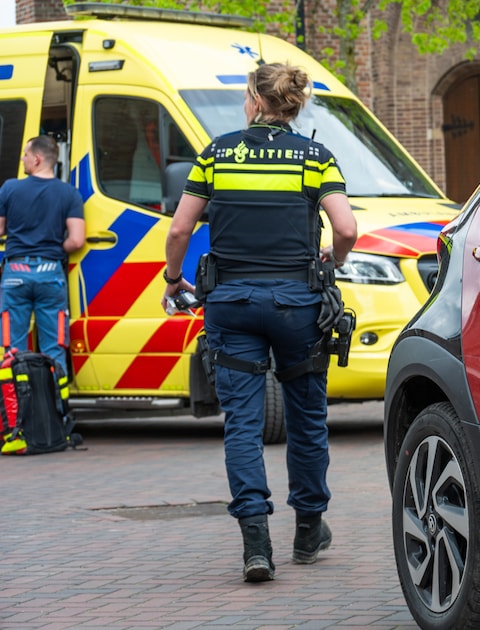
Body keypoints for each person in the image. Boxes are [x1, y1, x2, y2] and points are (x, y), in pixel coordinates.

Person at [162, 62, 357, 583]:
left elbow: (181, 228)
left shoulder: (217, 153)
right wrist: (330, 263)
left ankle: (256, 546)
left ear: (254, 99)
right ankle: (309, 531)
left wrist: (173, 278)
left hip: (231, 303)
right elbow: (346, 227)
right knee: (308, 421)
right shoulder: (314, 157)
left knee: (243, 427)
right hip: (299, 306)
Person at [0, 135, 86, 379]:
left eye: (25, 155)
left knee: (13, 351)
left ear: (36, 159)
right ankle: (58, 411)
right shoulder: (68, 194)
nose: (22, 159)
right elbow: (77, 239)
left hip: (15, 273)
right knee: (53, 350)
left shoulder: (9, 188)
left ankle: (18, 413)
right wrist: (54, 247)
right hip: (50, 274)